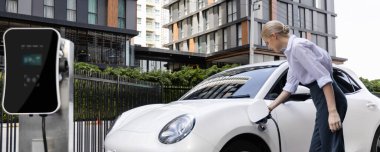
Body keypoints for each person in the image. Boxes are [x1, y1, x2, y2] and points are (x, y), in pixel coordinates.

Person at [261, 20, 348, 152]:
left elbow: (324, 78)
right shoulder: (291, 53)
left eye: (267, 42)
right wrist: (269, 108)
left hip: (329, 99)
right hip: (322, 100)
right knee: (316, 149)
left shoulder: (298, 47)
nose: (268, 46)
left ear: (274, 36)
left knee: (330, 147)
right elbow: (289, 87)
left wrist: (333, 112)